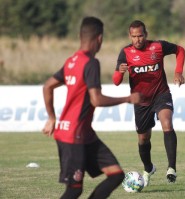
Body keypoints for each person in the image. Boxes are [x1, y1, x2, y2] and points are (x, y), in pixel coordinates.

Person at [42, 16, 141, 199]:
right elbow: (96, 100)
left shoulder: (72, 61)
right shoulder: (91, 63)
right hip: (73, 137)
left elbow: (47, 86)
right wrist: (128, 98)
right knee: (74, 189)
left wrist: (51, 117)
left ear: (81, 36)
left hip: (85, 134)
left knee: (116, 175)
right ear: (100, 39)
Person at [112, 20, 185, 186]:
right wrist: (120, 73)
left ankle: (171, 168)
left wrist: (178, 72)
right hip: (141, 101)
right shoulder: (125, 52)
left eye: (140, 36)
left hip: (161, 94)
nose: (137, 39)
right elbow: (116, 81)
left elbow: (180, 50)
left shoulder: (158, 46)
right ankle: (148, 168)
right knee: (143, 139)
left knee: (167, 123)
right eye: (134, 36)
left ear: (146, 34)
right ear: (130, 36)